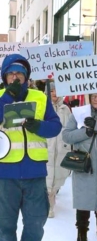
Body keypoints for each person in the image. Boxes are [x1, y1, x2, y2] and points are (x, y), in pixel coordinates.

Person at [0, 54, 62, 241]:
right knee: (4, 228)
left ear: (26, 77)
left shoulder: (40, 97)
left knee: (35, 227)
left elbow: (56, 126)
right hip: (5, 175)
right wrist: (8, 96)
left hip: (35, 173)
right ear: (4, 77)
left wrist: (39, 126)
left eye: (20, 73)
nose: (15, 77)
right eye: (11, 73)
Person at [62, 92, 97, 241]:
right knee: (83, 200)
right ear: (88, 97)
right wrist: (85, 132)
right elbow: (66, 135)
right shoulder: (77, 113)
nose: (96, 99)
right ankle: (82, 232)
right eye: (93, 96)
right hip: (84, 165)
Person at [46, 81, 72, 218]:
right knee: (48, 177)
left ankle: (53, 193)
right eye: (51, 91)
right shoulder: (43, 107)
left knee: (58, 176)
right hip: (47, 147)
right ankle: (49, 204)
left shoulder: (65, 109)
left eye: (56, 91)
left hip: (62, 148)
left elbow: (70, 128)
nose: (54, 94)